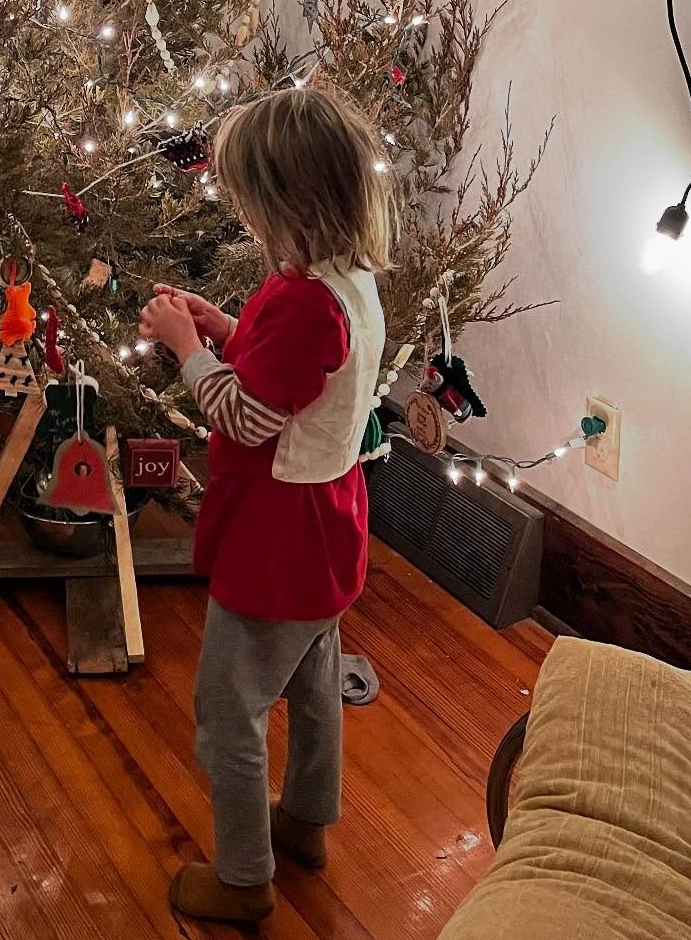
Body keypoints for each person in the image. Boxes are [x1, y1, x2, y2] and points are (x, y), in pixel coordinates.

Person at [139, 84, 390, 927]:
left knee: (228, 712)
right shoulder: (348, 282)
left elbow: (246, 416)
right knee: (315, 686)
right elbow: (299, 379)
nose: (245, 217)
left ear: (288, 199)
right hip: (331, 520)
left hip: (278, 539)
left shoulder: (302, 298)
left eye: (249, 201)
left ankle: (245, 879)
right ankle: (307, 826)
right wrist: (223, 327)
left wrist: (184, 351)